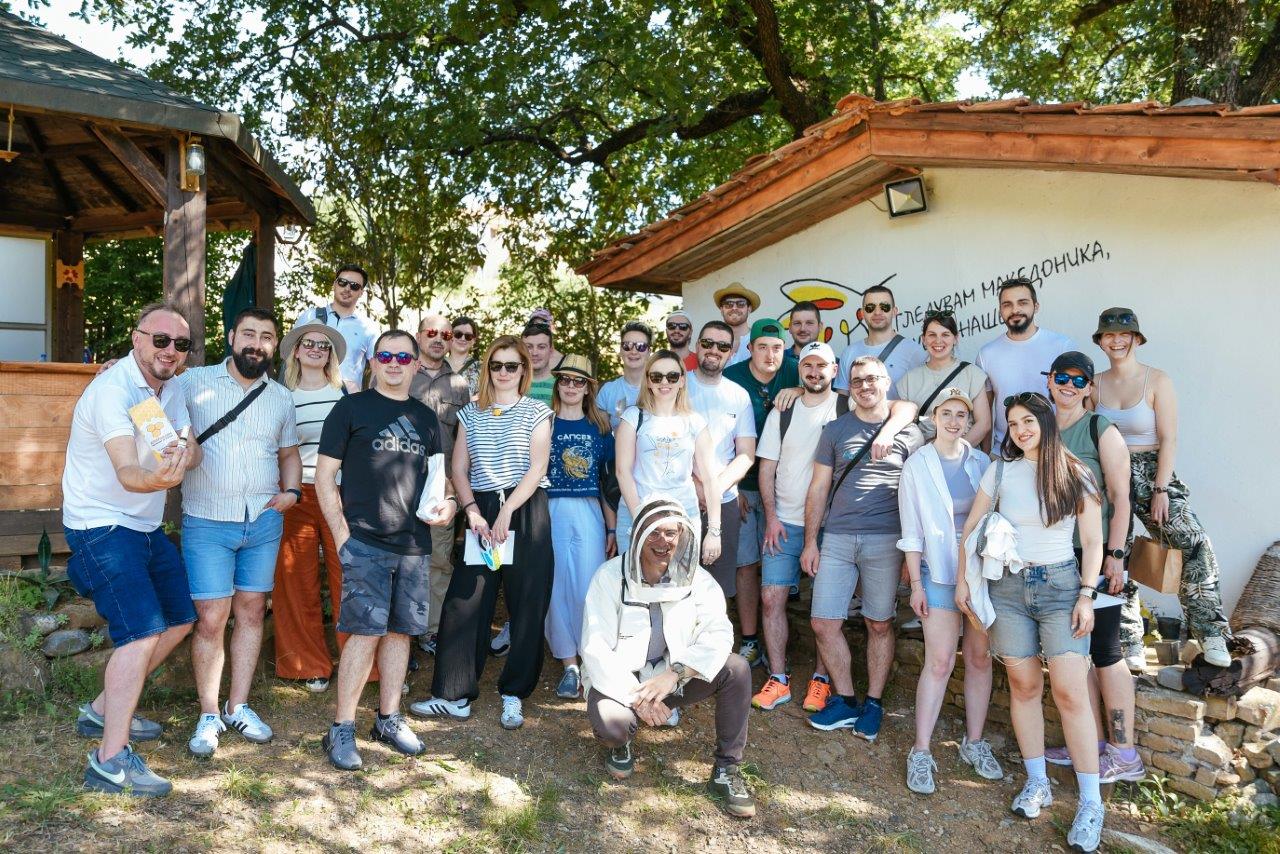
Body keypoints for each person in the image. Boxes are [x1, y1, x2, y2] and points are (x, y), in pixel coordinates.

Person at [955, 392, 1106, 853]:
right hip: (1008, 588)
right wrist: (963, 582)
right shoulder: (1000, 471)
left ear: (1046, 422)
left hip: (1061, 588)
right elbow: (971, 529)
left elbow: (1093, 542)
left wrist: (1086, 596)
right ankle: (1037, 781)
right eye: (1014, 423)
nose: (1021, 430)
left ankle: (1091, 802)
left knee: (1070, 692)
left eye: (1029, 421)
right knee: (1023, 686)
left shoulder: (1076, 472)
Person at [65, 302, 201, 797]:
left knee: (180, 619)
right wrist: (161, 478)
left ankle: (101, 711)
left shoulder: (171, 388)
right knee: (141, 633)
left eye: (180, 344)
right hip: (100, 524)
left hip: (143, 526)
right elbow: (127, 472)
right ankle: (109, 761)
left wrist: (186, 455)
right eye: (160, 340)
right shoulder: (113, 389)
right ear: (136, 338)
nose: (170, 350)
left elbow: (188, 448)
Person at [315, 329, 452, 770]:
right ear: (373, 362)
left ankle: (388, 719)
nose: (395, 363)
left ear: (416, 365)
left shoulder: (426, 418)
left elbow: (439, 481)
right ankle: (341, 727)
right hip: (365, 542)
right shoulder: (350, 408)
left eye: (404, 357)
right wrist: (342, 537)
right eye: (386, 356)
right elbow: (324, 477)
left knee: (400, 632)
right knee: (364, 633)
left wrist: (448, 505)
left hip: (413, 545)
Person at [411, 336, 555, 730]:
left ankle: (514, 694)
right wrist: (473, 511)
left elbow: (537, 468)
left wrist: (508, 511)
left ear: (524, 370)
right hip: (481, 510)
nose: (504, 372)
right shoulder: (471, 414)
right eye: (497, 365)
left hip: (525, 509)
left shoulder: (537, 411)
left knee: (527, 602)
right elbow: (459, 469)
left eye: (512, 366)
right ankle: (454, 695)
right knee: (466, 601)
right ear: (488, 368)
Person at [580, 499, 756, 818]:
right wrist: (638, 698)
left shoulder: (697, 580)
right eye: (654, 533)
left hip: (671, 678)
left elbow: (718, 633)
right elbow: (596, 648)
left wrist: (676, 674)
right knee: (614, 727)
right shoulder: (608, 577)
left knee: (736, 669)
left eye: (671, 533)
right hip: (621, 682)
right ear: (638, 535)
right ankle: (621, 742)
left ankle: (726, 770)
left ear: (682, 536)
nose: (663, 541)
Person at [180, 308, 301, 759]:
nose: (257, 343)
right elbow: (147, 392)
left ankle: (238, 706)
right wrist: (118, 367)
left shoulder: (281, 397)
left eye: (266, 336)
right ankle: (209, 713)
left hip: (264, 521)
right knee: (211, 618)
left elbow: (289, 453)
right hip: (207, 520)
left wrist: (292, 491)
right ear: (231, 336)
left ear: (275, 345)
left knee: (251, 612)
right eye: (249, 333)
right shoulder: (192, 382)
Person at [1092, 307, 1232, 667]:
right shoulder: (1095, 383)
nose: (1117, 341)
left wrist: (1161, 489)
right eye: (1109, 335)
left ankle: (1211, 633)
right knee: (1115, 553)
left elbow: (1169, 439)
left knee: (1193, 541)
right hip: (1110, 472)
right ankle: (1128, 642)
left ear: (1137, 339)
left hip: (1152, 470)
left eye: (1124, 334)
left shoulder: (1156, 380)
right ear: (1101, 341)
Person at [804, 356, 923, 742]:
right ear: (849, 387)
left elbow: (921, 493)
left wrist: (912, 556)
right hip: (838, 537)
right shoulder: (835, 429)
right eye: (857, 381)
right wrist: (811, 541)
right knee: (823, 622)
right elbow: (819, 487)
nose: (865, 386)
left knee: (879, 623)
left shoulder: (911, 432)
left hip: (887, 540)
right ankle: (845, 699)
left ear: (887, 382)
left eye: (872, 379)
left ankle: (873, 702)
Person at [1040, 352, 1146, 785]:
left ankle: (1125, 753)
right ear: (1050, 381)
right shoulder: (1042, 428)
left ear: (1088, 387)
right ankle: (1092, 745)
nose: (1069, 385)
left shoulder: (1100, 429)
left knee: (1105, 651)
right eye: (1062, 377)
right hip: (1056, 557)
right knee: (1075, 655)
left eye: (1079, 379)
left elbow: (1121, 498)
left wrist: (1116, 556)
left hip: (1097, 554)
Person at [898, 389, 1003, 795]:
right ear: (934, 418)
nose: (955, 421)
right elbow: (911, 530)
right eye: (947, 413)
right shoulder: (917, 465)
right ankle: (921, 750)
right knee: (939, 662)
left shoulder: (982, 463)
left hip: (979, 575)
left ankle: (973, 742)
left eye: (962, 415)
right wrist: (916, 584)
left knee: (978, 658)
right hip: (938, 573)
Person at [752, 342, 840, 714]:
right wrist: (771, 518)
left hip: (831, 526)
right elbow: (767, 468)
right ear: (799, 369)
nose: (814, 372)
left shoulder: (847, 406)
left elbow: (899, 408)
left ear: (835, 370)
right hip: (784, 522)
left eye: (822, 366)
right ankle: (778, 678)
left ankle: (821, 679)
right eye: (808, 366)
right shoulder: (783, 411)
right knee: (771, 598)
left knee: (825, 608)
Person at [272, 321, 356, 692]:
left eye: (324, 345)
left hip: (341, 493)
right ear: (296, 349)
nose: (317, 349)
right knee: (296, 579)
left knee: (350, 576)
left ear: (331, 354)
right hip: (298, 493)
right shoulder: (280, 396)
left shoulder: (346, 393)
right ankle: (307, 665)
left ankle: (362, 663)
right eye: (309, 343)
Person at [722, 318, 799, 667]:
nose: (770, 355)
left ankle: (778, 645)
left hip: (783, 488)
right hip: (742, 485)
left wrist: (799, 391)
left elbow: (826, 392)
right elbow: (717, 434)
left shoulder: (795, 371)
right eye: (763, 347)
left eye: (777, 348)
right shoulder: (732, 378)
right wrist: (730, 483)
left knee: (776, 566)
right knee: (746, 564)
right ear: (750, 348)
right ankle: (751, 640)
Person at [544, 355, 616, 699]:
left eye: (579, 381)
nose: (571, 386)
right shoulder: (543, 423)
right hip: (550, 509)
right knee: (555, 587)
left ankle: (591, 658)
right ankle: (569, 665)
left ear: (589, 388)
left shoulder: (600, 428)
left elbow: (607, 484)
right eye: (565, 380)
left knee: (589, 587)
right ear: (557, 384)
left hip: (589, 512)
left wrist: (612, 529)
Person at [613, 349, 722, 562]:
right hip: (637, 513)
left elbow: (710, 478)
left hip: (683, 515)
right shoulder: (633, 417)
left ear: (682, 380)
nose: (665, 382)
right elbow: (622, 472)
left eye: (672, 376)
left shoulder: (695, 422)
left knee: (681, 581)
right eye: (657, 376)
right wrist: (641, 519)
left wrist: (714, 530)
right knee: (636, 580)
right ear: (648, 381)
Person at [408, 314, 473, 655]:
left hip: (441, 486)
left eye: (445, 335)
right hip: (400, 483)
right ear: (418, 335)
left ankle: (431, 631)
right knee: (399, 559)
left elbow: (466, 440)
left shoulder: (460, 386)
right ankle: (400, 633)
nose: (438, 339)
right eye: (431, 332)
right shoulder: (400, 372)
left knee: (438, 559)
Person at [685, 322, 755, 598]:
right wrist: (696, 487)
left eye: (723, 346)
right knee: (677, 583)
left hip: (724, 502)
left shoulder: (738, 395)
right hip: (681, 496)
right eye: (708, 343)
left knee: (716, 591)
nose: (714, 350)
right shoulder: (677, 385)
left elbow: (746, 454)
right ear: (697, 346)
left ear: (731, 352)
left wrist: (713, 490)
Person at [975, 277, 1077, 450]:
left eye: (1022, 303)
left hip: (1052, 449)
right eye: (1007, 304)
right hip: (1005, 451)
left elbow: (1077, 403)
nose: (1015, 309)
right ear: (1000, 310)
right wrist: (986, 455)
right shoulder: (986, 354)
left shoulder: (1062, 347)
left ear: (1036, 306)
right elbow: (985, 414)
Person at [897, 309, 991, 444]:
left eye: (945, 335)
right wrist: (927, 454)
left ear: (955, 339)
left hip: (963, 451)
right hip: (922, 453)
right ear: (923, 339)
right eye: (932, 335)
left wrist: (955, 453)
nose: (938, 341)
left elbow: (984, 424)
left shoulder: (972, 374)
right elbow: (903, 425)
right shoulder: (908, 380)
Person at [293, 264, 380, 392]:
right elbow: (291, 355)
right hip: (305, 394)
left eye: (354, 286)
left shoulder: (368, 327)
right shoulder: (310, 316)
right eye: (342, 282)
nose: (347, 288)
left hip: (348, 398)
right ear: (334, 285)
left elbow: (377, 368)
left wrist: (372, 398)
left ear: (361, 292)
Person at [834, 284, 926, 398]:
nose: (877, 312)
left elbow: (922, 399)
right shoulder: (849, 353)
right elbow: (842, 401)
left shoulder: (914, 352)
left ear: (894, 311)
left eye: (884, 307)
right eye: (870, 307)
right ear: (862, 313)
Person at [596, 321, 652, 431]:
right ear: (621, 350)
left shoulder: (659, 389)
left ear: (649, 352)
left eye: (641, 346)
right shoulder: (607, 391)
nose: (633, 351)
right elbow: (602, 434)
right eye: (627, 345)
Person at [713, 282, 760, 365]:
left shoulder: (759, 340)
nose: (734, 308)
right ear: (722, 309)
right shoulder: (712, 342)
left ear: (749, 309)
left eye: (740, 304)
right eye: (728, 304)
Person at [522, 322, 556, 405]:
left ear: (551, 351)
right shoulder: (512, 383)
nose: (534, 353)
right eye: (529, 347)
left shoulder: (562, 386)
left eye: (541, 347)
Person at [447, 315, 482, 396]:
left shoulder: (481, 369)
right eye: (458, 334)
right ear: (450, 336)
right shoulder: (437, 365)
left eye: (468, 336)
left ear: (473, 340)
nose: (463, 338)